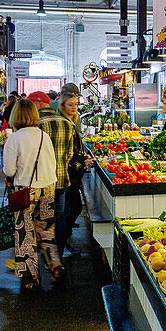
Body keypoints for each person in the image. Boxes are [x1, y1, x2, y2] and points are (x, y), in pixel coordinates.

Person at [3, 99, 61, 291]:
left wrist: (11, 176)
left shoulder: (14, 138)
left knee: (25, 233)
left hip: (25, 190)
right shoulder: (44, 136)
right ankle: (55, 265)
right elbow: (52, 163)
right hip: (48, 186)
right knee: (46, 230)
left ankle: (31, 275)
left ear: (16, 116)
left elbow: (9, 170)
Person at [28, 91, 79, 257]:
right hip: (62, 178)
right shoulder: (67, 123)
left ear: (38, 104)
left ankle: (47, 255)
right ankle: (60, 252)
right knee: (60, 216)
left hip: (42, 180)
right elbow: (71, 153)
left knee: (43, 218)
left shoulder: (36, 124)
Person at [59, 92, 93, 243]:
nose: (74, 108)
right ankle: (62, 240)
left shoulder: (71, 122)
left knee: (71, 208)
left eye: (76, 105)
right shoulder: (64, 124)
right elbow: (66, 151)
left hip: (72, 172)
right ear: (62, 106)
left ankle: (64, 238)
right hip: (67, 173)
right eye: (70, 105)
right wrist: (82, 162)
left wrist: (83, 158)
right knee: (73, 207)